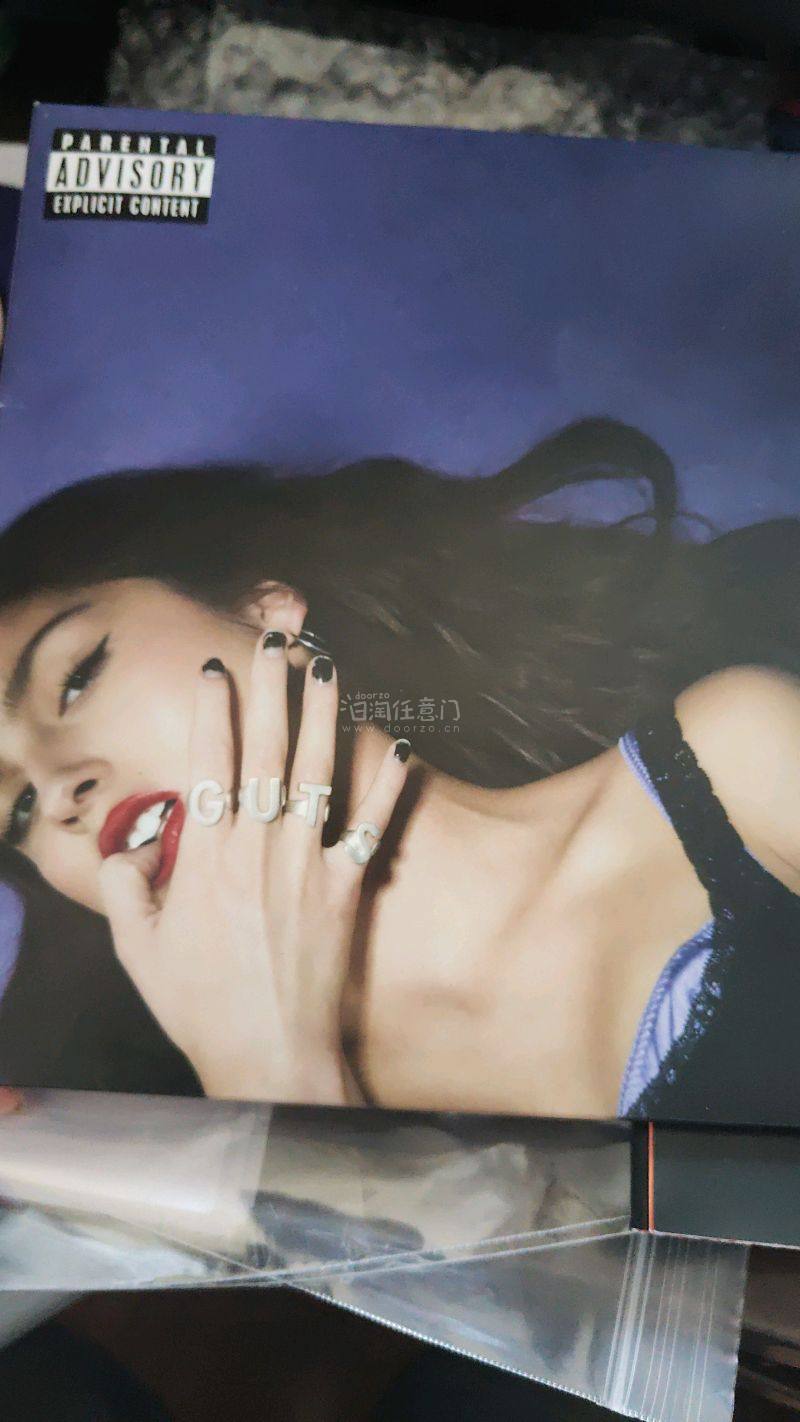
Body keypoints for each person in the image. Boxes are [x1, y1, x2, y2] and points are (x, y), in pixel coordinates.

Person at [0, 418, 798, 1120]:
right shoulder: (161, 1149)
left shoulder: (735, 764)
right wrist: (268, 1080)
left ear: (264, 610)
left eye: (75, 678)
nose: (58, 788)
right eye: (18, 809)